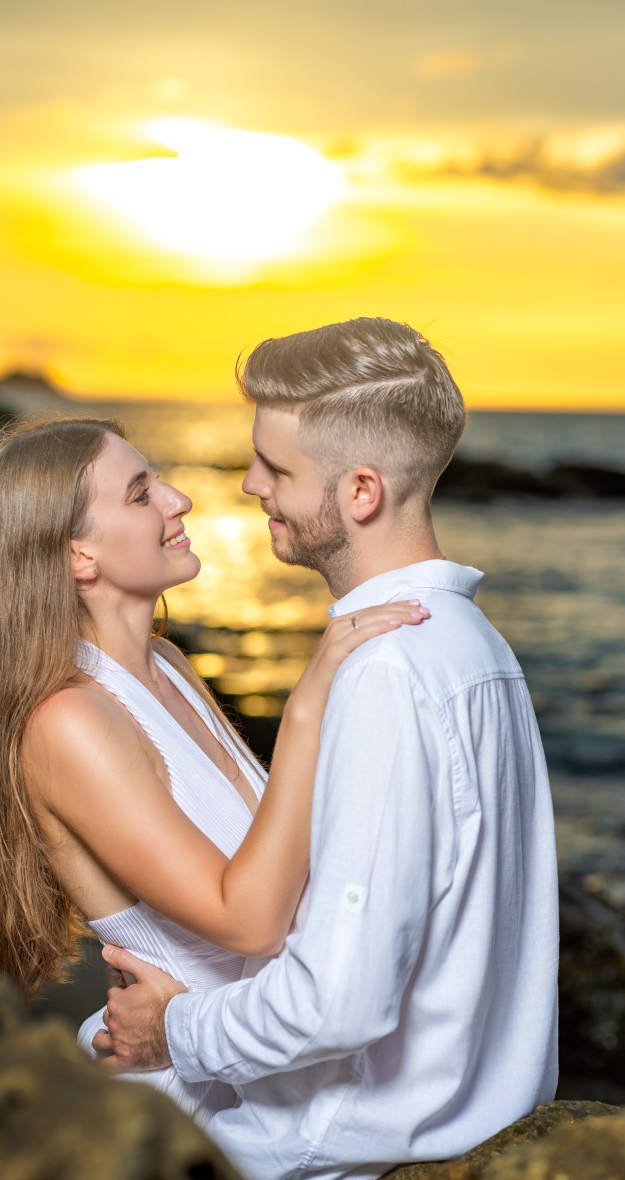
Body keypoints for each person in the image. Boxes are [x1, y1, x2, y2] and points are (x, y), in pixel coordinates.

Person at [95, 317, 559, 1180]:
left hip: (332, 1151)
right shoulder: (475, 646)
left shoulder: (387, 672)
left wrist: (173, 1028)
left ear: (360, 493)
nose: (247, 485)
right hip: (469, 1118)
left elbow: (336, 1003)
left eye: (276, 468)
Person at [0, 413, 427, 1128]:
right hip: (194, 1107)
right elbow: (247, 921)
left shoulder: (166, 665)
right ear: (78, 557)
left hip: (264, 1063)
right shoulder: (69, 721)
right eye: (139, 494)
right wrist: (308, 711)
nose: (178, 501)